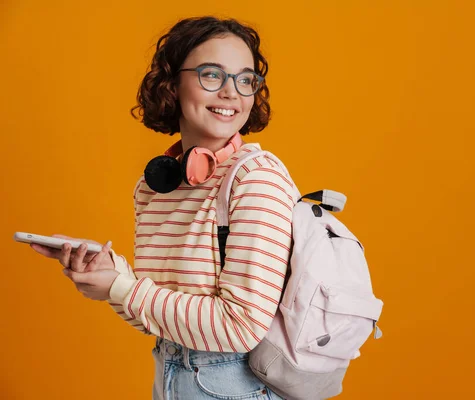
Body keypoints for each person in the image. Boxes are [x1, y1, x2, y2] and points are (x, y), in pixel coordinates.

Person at [31, 16, 293, 400]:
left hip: (236, 385)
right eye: (211, 75)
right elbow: (159, 317)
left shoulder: (256, 178)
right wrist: (109, 278)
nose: (231, 93)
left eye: (245, 79)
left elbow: (242, 327)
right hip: (170, 376)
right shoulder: (155, 187)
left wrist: (122, 287)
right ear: (172, 84)